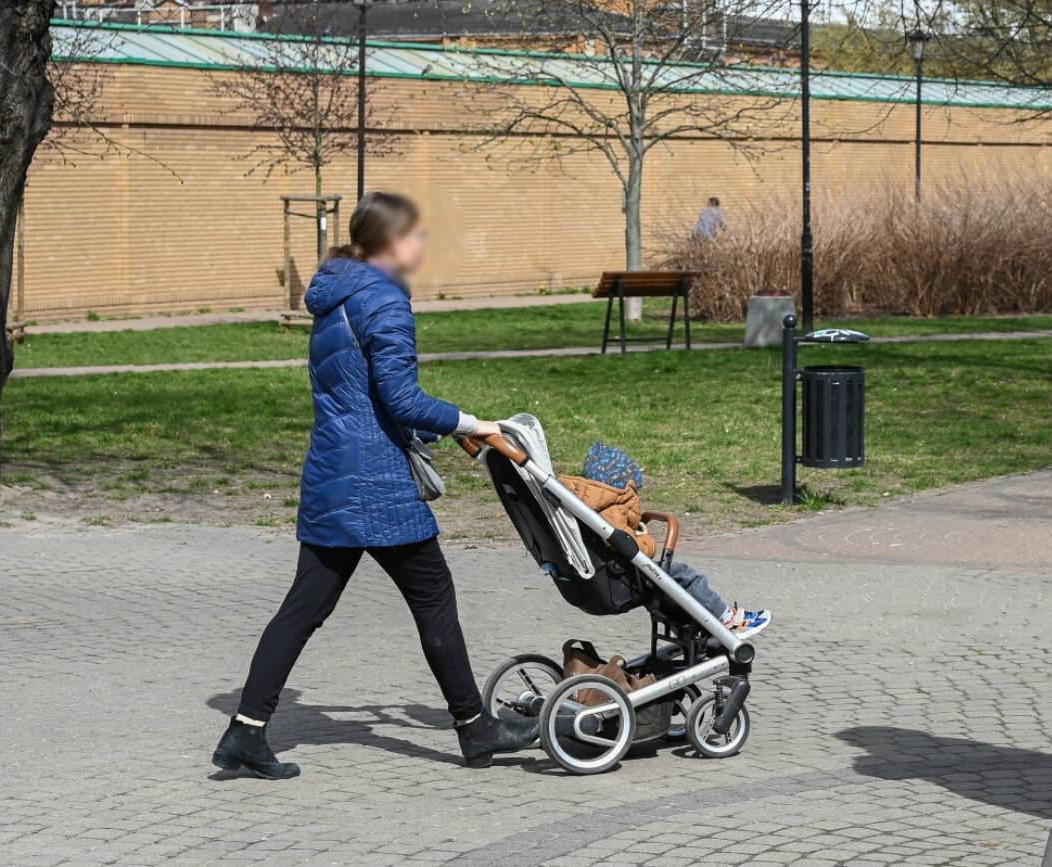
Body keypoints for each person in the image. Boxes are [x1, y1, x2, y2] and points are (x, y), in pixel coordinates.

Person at [213, 192, 539, 779]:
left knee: (302, 609)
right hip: (378, 484)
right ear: (390, 242)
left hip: (333, 474)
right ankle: (475, 728)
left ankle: (245, 730)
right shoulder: (384, 300)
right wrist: (475, 424)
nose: (422, 245)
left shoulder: (336, 295)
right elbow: (401, 399)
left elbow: (363, 396)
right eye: (415, 235)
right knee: (434, 598)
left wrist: (440, 431)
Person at [569, 441, 771, 638]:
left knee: (665, 587)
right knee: (684, 576)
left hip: (591, 585)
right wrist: (646, 540)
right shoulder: (610, 509)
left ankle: (693, 628)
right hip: (614, 584)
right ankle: (727, 619)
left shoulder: (582, 502)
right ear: (622, 485)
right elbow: (628, 546)